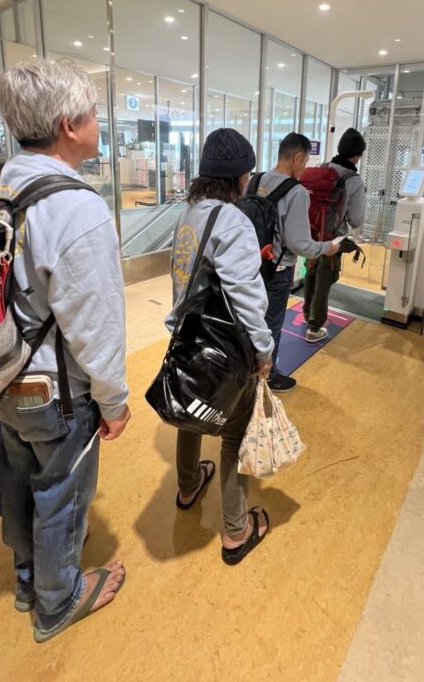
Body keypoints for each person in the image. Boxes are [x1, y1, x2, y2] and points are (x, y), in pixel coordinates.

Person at [0, 58, 130, 643]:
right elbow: (96, 325)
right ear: (70, 126)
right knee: (61, 489)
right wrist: (114, 401)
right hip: (56, 393)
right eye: (93, 114)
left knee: (19, 475)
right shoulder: (78, 208)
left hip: (0, 375)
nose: (99, 123)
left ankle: (27, 580)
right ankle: (57, 601)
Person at [166, 127, 273, 565]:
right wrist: (263, 349)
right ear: (238, 177)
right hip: (226, 347)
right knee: (235, 434)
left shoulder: (189, 214)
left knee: (192, 413)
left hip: (188, 337)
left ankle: (189, 485)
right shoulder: (233, 221)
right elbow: (245, 295)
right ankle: (235, 531)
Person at [251, 132, 340, 393]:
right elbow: (299, 244)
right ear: (298, 157)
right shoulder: (297, 192)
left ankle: (246, 374)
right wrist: (328, 248)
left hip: (251, 265)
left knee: (250, 321)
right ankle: (269, 377)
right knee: (272, 324)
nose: (305, 167)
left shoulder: (255, 180)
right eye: (306, 161)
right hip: (277, 270)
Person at [303, 128, 366, 342]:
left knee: (311, 271)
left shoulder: (322, 168)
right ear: (357, 155)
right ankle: (314, 327)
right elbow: (355, 220)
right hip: (333, 237)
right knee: (325, 277)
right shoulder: (354, 181)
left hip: (311, 232)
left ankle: (307, 314)